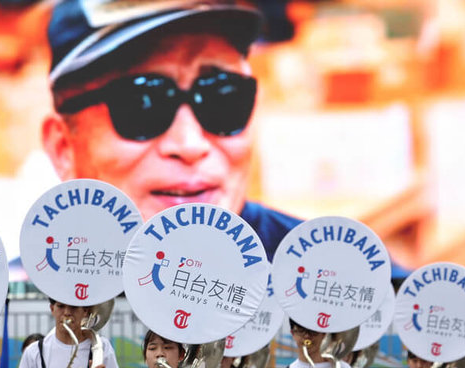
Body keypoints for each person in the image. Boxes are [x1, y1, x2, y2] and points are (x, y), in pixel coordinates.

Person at [42, 0, 304, 262]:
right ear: (62, 148)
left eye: (223, 97)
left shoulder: (317, 279)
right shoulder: (21, 297)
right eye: (142, 104)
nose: (190, 146)